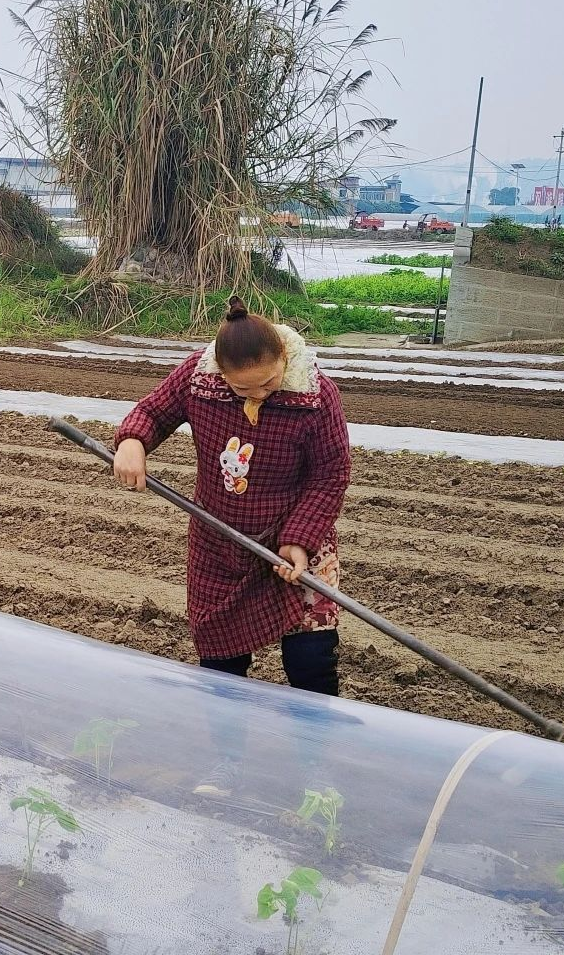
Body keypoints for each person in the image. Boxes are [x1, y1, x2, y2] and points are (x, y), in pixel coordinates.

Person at [113, 296, 350, 796]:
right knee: (221, 662)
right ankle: (227, 764)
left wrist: (299, 541)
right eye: (244, 387)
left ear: (284, 357)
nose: (259, 394)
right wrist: (133, 441)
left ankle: (316, 771)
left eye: (268, 382)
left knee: (310, 659)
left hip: (295, 544)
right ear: (221, 373)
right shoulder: (199, 380)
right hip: (219, 543)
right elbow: (152, 411)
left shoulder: (314, 396)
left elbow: (330, 475)